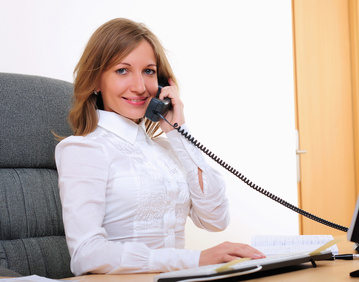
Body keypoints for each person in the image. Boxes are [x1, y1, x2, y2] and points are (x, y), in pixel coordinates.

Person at [55, 18, 265, 276]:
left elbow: (216, 219)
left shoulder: (166, 150)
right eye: (122, 70)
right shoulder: (84, 149)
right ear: (97, 81)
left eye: (149, 71)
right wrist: (195, 260)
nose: (140, 87)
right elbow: (87, 255)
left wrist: (179, 132)